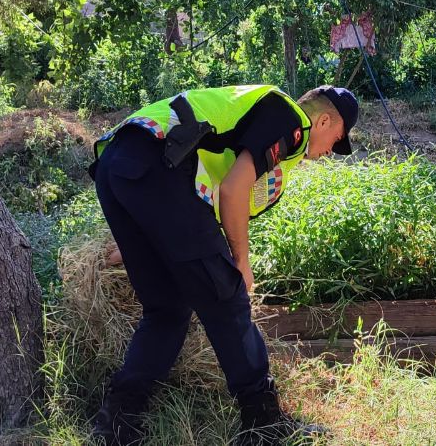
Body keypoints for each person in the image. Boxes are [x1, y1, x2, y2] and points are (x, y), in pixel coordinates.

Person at [89, 84, 359, 445]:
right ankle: (263, 422)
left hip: (117, 165)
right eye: (336, 140)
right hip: (154, 167)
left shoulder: (247, 118)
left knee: (167, 309)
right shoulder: (290, 120)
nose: (329, 152)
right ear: (324, 120)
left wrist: (140, 243)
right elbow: (233, 190)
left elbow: (193, 204)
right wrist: (241, 262)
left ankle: (117, 422)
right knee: (227, 297)